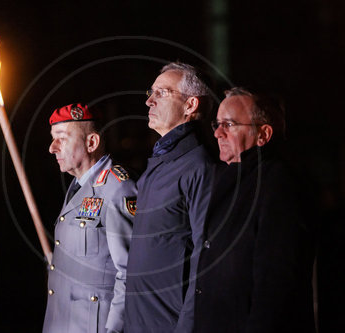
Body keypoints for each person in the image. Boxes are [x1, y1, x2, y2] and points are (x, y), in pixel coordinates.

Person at [194, 87, 316, 332]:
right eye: (217, 124)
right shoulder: (228, 179)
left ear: (263, 134)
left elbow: (276, 280)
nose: (218, 133)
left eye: (229, 124)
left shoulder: (278, 184)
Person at [124, 62, 216, 333]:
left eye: (161, 93)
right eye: (150, 92)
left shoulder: (199, 166)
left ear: (190, 105)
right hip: (140, 323)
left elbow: (205, 260)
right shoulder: (160, 164)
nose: (149, 101)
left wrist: (187, 327)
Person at [42, 103, 137, 333]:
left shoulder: (117, 189)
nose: (52, 148)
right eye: (53, 138)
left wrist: (113, 330)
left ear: (91, 143)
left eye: (61, 138)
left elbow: (131, 273)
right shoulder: (77, 187)